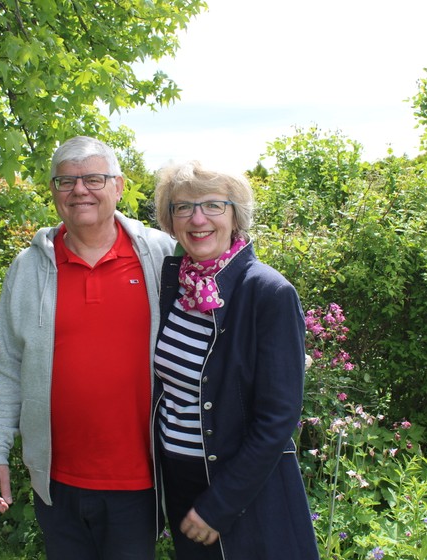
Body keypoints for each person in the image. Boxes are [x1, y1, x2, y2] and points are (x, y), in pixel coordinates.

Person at [0, 136, 175, 560]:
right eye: (66, 181)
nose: (79, 190)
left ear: (119, 186)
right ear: (53, 191)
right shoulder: (28, 268)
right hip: (57, 481)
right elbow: (9, 366)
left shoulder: (161, 256)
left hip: (139, 481)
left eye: (93, 179)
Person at [151, 161, 320, 560]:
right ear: (170, 220)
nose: (197, 219)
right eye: (183, 207)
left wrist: (220, 504)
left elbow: (278, 416)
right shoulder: (173, 286)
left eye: (213, 205)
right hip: (180, 485)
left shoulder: (268, 292)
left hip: (239, 492)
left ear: (234, 215)